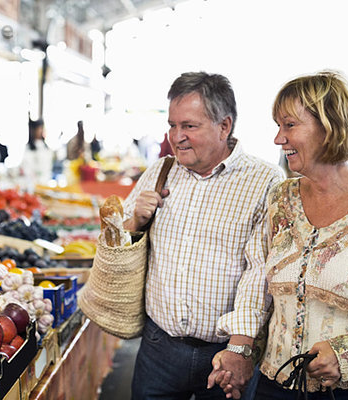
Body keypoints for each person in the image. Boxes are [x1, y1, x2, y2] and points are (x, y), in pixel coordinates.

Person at [210, 71, 348, 400]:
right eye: (278, 126)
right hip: (277, 387)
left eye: (289, 125)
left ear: (328, 127)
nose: (278, 138)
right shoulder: (280, 199)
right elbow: (260, 284)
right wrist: (242, 351)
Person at [124, 71, 283, 400]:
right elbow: (116, 238)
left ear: (224, 126)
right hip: (158, 349)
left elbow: (260, 272)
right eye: (172, 125)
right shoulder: (161, 171)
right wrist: (135, 221)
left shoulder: (265, 180)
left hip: (225, 356)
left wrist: (240, 349)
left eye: (189, 126)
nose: (175, 137)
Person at [22, 118, 54, 187]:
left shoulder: (45, 147)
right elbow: (27, 167)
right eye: (38, 129)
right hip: (32, 182)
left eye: (41, 128)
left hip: (45, 182)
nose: (39, 131)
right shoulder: (29, 148)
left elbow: (48, 166)